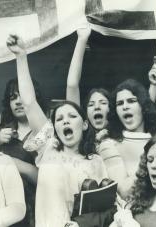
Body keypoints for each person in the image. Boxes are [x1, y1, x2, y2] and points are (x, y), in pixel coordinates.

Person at [7, 34, 108, 227]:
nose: (65, 121)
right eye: (59, 119)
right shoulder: (48, 148)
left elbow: (104, 209)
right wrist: (21, 56)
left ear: (85, 124)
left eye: (72, 116)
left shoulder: (96, 161)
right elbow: (29, 102)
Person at [0, 78, 43, 227]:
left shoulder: (44, 131)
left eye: (21, 95)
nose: (17, 101)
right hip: (6, 205)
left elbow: (47, 178)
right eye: (12, 97)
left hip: (37, 205)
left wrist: (12, 162)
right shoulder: (0, 132)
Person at [101, 79, 156, 199]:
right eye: (119, 103)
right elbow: (124, 191)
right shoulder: (109, 145)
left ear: (143, 106)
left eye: (131, 101)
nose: (125, 107)